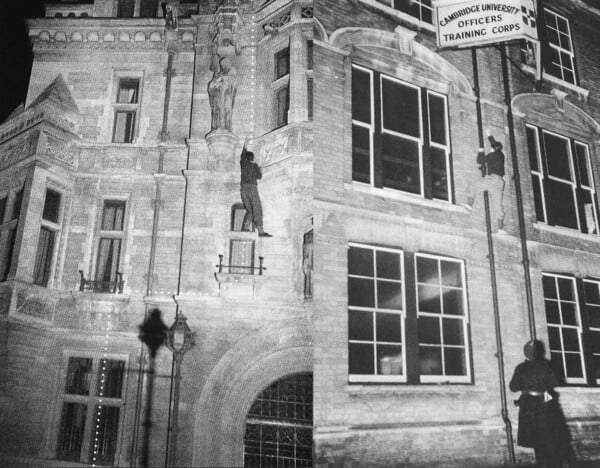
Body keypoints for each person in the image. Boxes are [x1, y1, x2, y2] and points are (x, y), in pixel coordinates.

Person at [509, 340, 563, 467]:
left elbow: (513, 387)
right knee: (548, 436)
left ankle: (542, 464)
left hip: (528, 405)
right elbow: (554, 382)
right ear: (537, 353)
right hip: (544, 404)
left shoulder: (520, 368)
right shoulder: (545, 366)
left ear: (525, 353)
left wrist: (526, 385)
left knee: (535, 438)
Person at [467, 130, 506, 230]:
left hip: (492, 179)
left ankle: (469, 205)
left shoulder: (491, 155)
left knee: (473, 185)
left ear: (493, 149)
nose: (489, 148)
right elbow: (494, 144)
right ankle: (500, 227)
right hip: (500, 182)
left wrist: (480, 151)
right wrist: (489, 136)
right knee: (497, 205)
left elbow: (479, 160)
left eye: (490, 148)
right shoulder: (501, 155)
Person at [240, 139, 272, 237]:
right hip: (252, 188)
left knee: (250, 210)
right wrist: (260, 169)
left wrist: (245, 144)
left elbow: (242, 154)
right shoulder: (254, 166)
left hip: (243, 190)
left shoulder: (243, 163)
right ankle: (261, 232)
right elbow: (259, 177)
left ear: (246, 158)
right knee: (257, 209)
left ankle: (245, 227)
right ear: (252, 158)